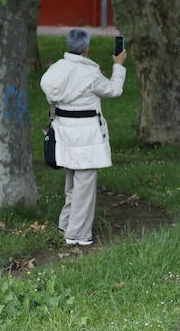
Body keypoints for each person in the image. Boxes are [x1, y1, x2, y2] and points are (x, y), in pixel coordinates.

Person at [40, 29, 128, 247]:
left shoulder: (55, 70)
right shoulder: (90, 73)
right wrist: (118, 65)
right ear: (86, 48)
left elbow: (50, 92)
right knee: (85, 186)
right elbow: (114, 90)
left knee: (72, 181)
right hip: (87, 134)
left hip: (64, 132)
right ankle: (77, 235)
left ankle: (66, 223)